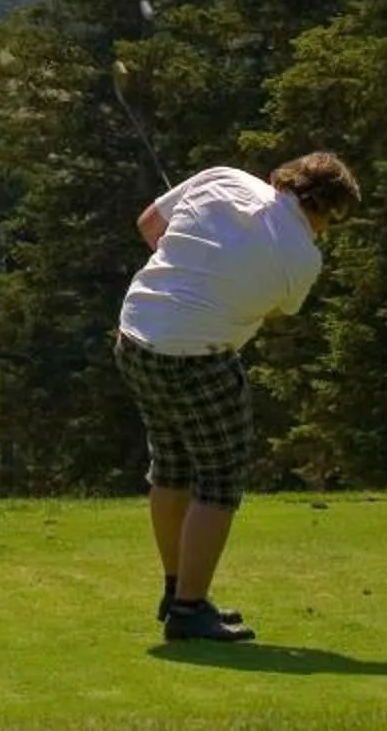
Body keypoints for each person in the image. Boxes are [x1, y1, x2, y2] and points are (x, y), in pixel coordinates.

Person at [111, 151, 361, 643]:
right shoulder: (303, 259)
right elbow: (270, 312)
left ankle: (176, 588)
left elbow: (149, 226)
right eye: (330, 223)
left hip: (135, 337)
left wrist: (195, 258)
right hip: (197, 358)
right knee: (219, 480)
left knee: (171, 466)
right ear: (322, 210)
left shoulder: (221, 178)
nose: (325, 234)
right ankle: (188, 608)